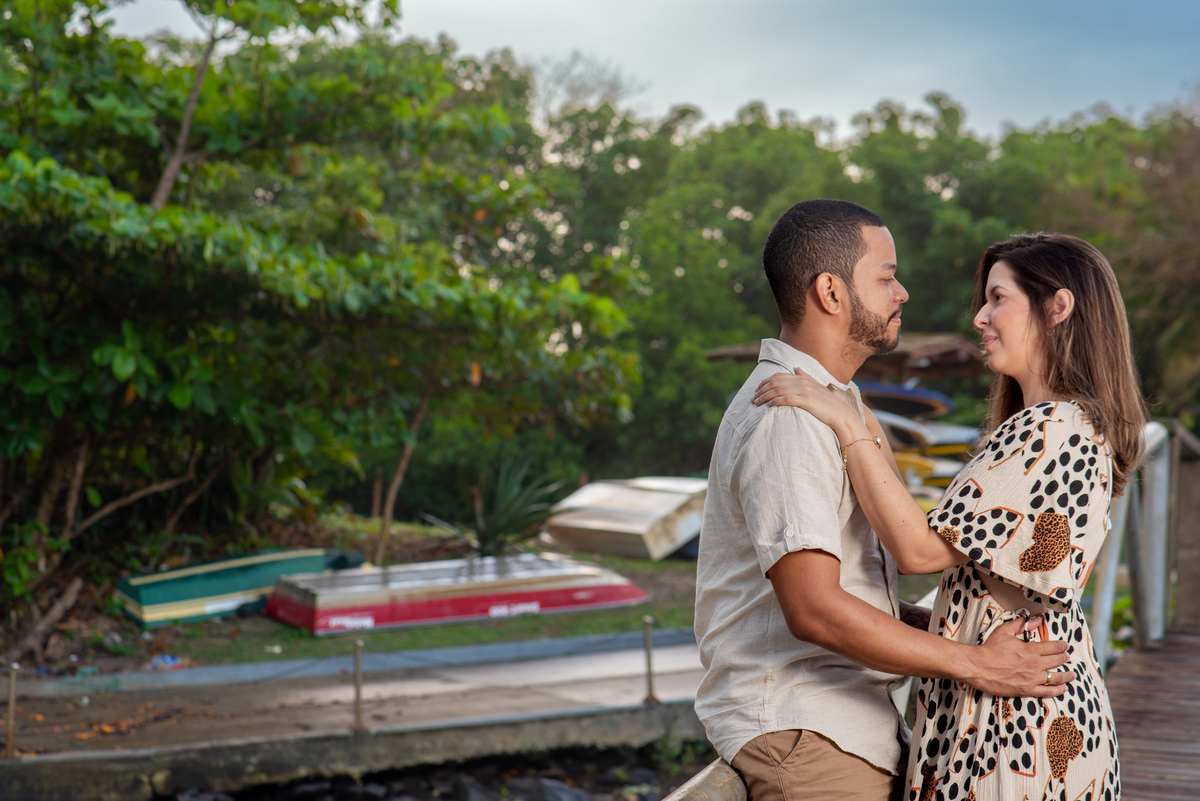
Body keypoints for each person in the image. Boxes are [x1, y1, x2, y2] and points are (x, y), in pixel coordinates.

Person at [693, 200, 1076, 801]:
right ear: (831, 292)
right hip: (808, 729)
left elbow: (855, 582)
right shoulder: (791, 418)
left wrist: (951, 627)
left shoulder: (832, 403)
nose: (902, 293)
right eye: (886, 277)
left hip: (843, 724)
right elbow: (815, 609)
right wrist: (975, 663)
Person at [752, 232, 1142, 801]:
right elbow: (977, 575)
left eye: (998, 298)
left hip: (1016, 725)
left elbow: (919, 550)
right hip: (1023, 701)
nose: (981, 317)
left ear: (1058, 306)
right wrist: (855, 411)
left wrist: (847, 423)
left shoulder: (1052, 429)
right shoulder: (1059, 425)